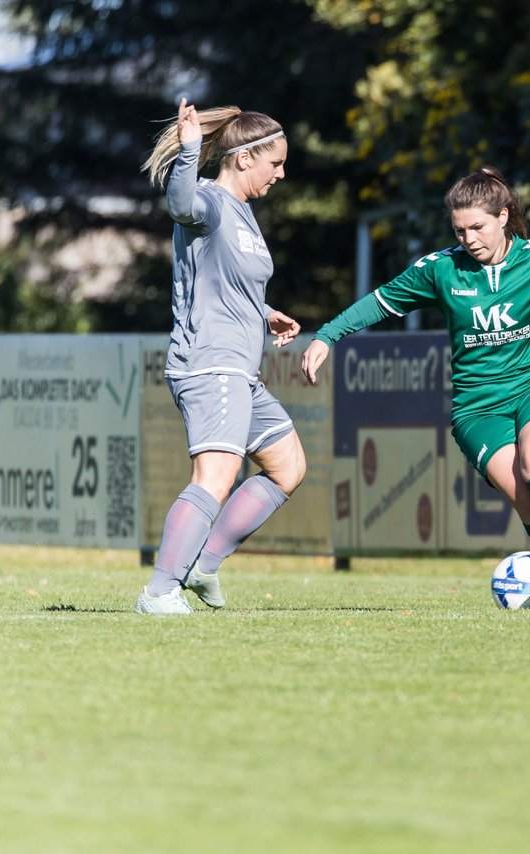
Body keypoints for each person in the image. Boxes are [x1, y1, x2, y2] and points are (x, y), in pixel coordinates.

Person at [301, 166, 530, 610]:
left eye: (478, 227)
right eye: (459, 229)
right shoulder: (441, 269)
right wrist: (327, 335)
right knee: (527, 502)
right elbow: (379, 302)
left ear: (504, 216)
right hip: (477, 408)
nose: (468, 238)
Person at [134, 99, 307, 614]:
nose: (282, 173)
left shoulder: (244, 216)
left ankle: (203, 565)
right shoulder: (208, 199)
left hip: (239, 370)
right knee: (215, 475)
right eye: (275, 163)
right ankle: (160, 591)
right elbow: (180, 203)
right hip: (210, 364)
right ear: (244, 158)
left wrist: (265, 311)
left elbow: (219, 280)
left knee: (287, 466)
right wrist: (188, 152)